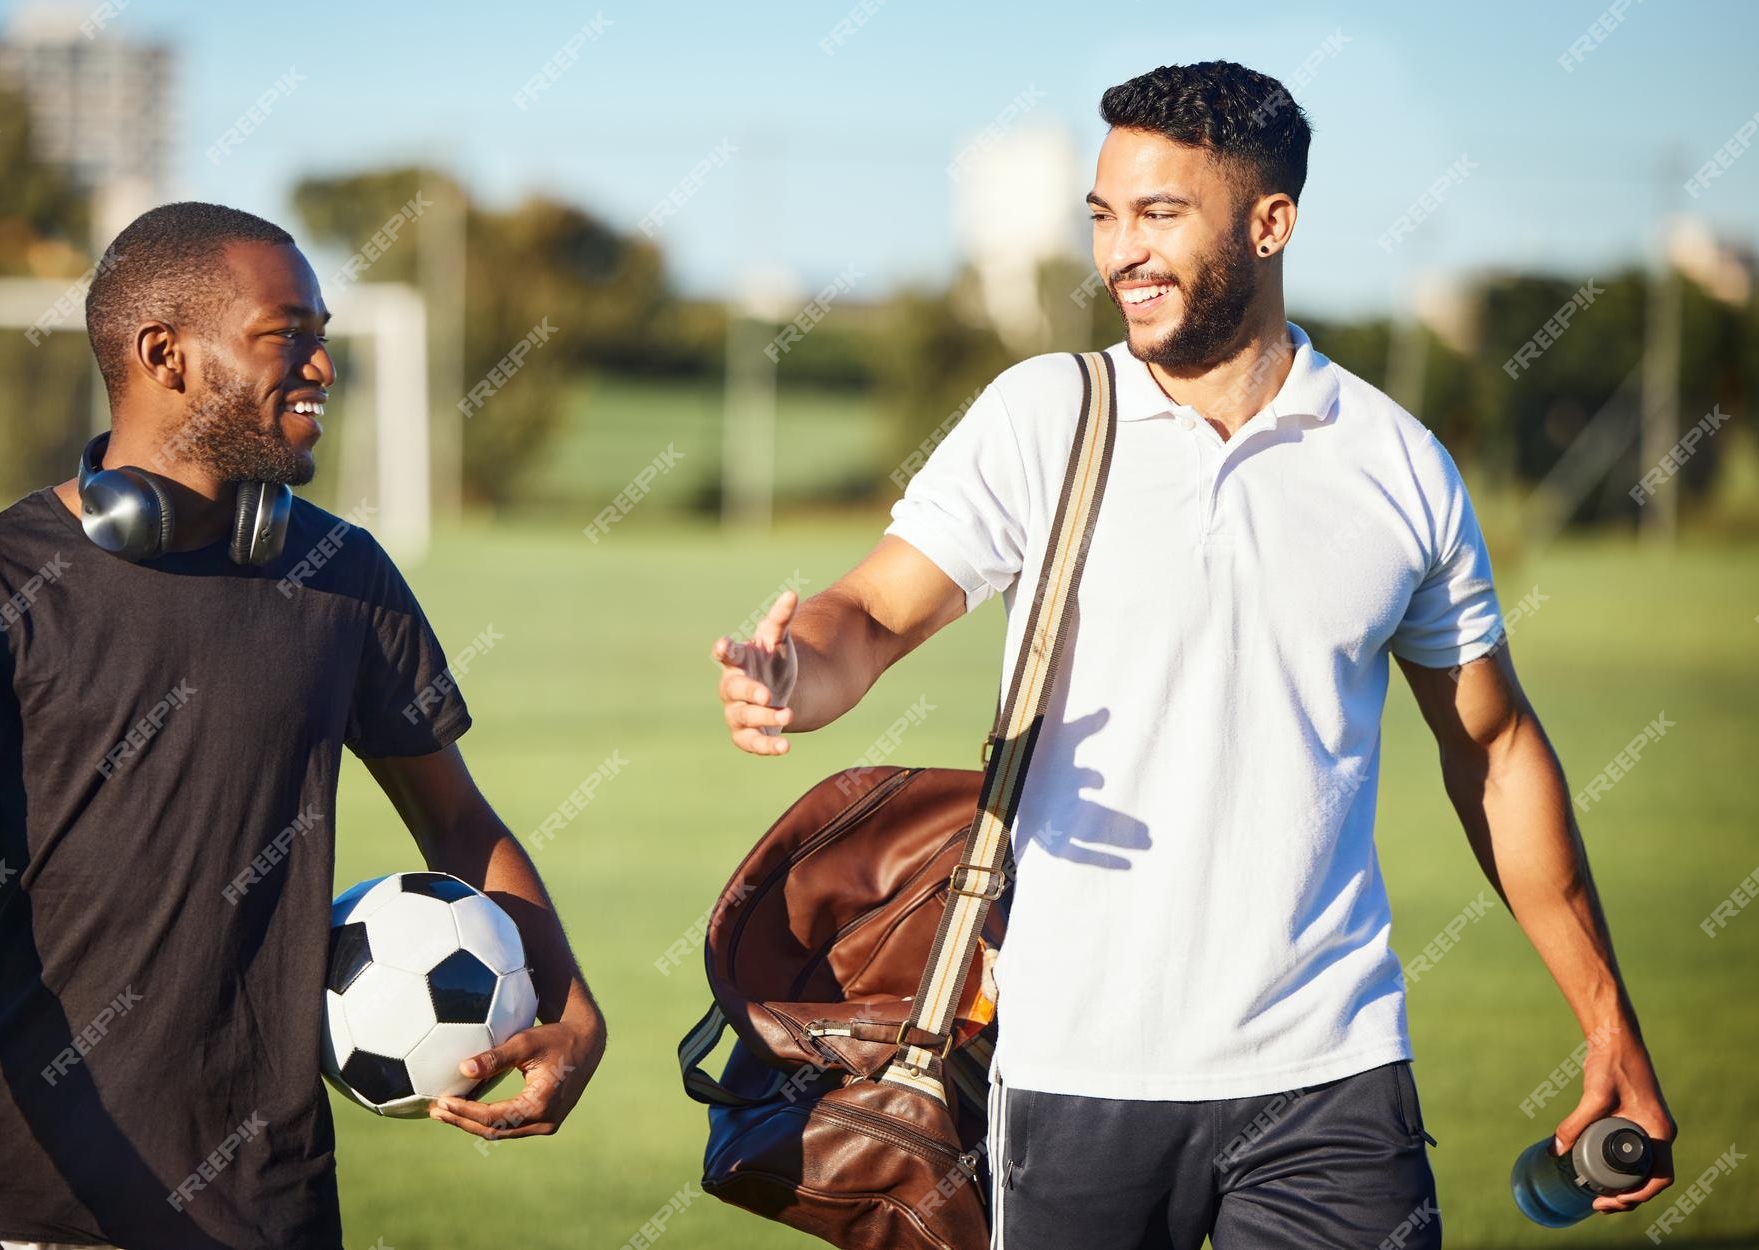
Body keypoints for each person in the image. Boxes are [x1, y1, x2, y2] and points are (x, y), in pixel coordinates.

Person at [712, 61, 1674, 1249]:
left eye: (1159, 213)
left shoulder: (1399, 464)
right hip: (1070, 1073)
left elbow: (1491, 744)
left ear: (1269, 222)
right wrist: (792, 673)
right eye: (1105, 216)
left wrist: (1604, 1018)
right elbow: (871, 610)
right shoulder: (1047, 414)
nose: (1121, 251)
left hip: (1331, 1073)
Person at [0, 202, 604, 1250]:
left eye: (324, 335)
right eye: (288, 335)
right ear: (167, 354)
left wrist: (570, 1001)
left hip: (272, 1212)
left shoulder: (345, 577)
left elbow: (457, 821)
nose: (325, 367)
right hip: (18, 1204)